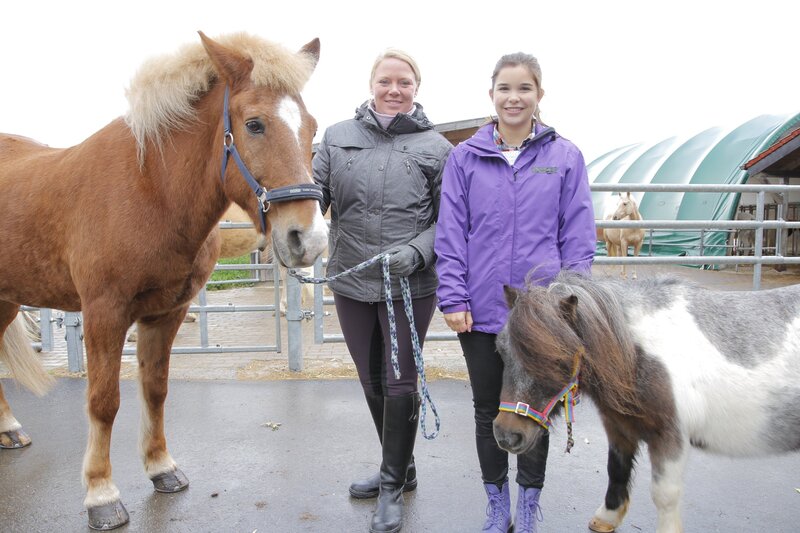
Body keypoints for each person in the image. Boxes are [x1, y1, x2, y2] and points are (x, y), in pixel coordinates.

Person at [434, 52, 596, 533]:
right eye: (505, 88)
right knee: (488, 407)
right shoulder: (465, 158)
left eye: (524, 88)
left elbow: (578, 237)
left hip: (541, 315)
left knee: (534, 409)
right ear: (492, 95)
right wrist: (453, 297)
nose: (514, 98)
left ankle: (528, 505)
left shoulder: (564, 157)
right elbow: (451, 233)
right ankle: (495, 503)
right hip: (481, 309)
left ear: (538, 94)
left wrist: (566, 307)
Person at [313, 48, 452, 533]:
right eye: (385, 81)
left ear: (416, 88)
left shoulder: (437, 148)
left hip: (410, 283)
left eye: (404, 82)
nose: (394, 90)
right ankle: (402, 466)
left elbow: (451, 219)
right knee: (371, 380)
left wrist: (417, 251)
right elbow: (315, 196)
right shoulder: (336, 137)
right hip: (352, 277)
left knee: (399, 381)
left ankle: (392, 485)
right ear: (371, 85)